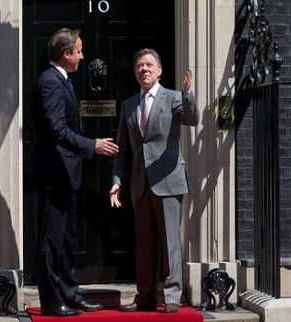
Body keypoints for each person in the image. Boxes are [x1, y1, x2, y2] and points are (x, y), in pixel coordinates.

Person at [34, 28, 118, 317]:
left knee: (67, 240)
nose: (83, 56)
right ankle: (50, 302)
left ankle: (70, 294)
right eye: (79, 51)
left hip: (67, 174)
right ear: (65, 54)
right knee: (50, 240)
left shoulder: (62, 80)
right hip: (55, 174)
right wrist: (90, 145)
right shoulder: (51, 82)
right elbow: (55, 128)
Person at [110, 48, 197, 313]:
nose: (143, 69)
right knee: (145, 243)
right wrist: (116, 181)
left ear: (159, 71)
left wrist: (188, 95)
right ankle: (146, 295)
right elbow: (123, 150)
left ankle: (171, 297)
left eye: (149, 65)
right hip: (140, 184)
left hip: (169, 181)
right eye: (139, 66)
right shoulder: (128, 105)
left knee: (170, 240)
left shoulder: (173, 98)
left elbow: (191, 119)